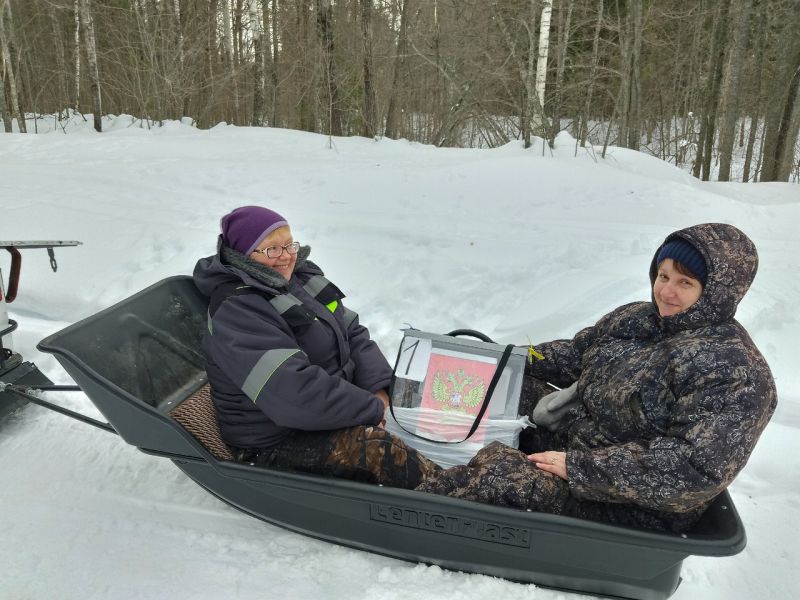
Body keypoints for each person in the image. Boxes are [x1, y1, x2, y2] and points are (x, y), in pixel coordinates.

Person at [417, 223, 777, 532]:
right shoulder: (639, 319)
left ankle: (403, 490)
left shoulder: (734, 372)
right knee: (495, 388)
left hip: (633, 504)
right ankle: (425, 438)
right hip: (579, 444)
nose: (666, 291)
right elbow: (576, 355)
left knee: (501, 475)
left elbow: (691, 471)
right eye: (663, 276)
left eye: (685, 282)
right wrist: (506, 359)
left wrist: (579, 468)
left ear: (716, 293)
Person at [193, 205, 440, 488]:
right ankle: (460, 499)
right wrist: (370, 408)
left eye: (289, 244)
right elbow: (293, 394)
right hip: (276, 440)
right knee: (383, 451)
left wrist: (379, 389)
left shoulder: (301, 280)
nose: (285, 256)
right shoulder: (237, 310)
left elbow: (352, 332)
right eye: (272, 249)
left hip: (328, 413)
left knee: (420, 409)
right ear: (242, 255)